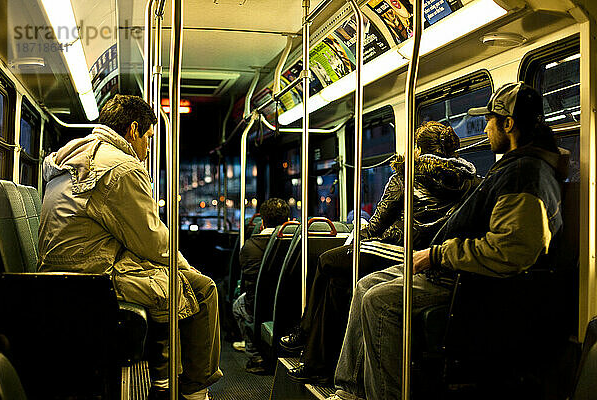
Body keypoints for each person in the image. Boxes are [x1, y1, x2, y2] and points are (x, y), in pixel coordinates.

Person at [327, 82, 568, 400]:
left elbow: (511, 250)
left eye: (490, 119)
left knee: (378, 301)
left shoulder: (525, 175)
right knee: (363, 287)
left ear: (508, 124)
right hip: (451, 269)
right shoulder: (512, 167)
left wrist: (438, 255)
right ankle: (351, 390)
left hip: (469, 283)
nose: (485, 127)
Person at [38, 95, 222, 400]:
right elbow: (152, 241)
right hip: (95, 278)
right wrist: (186, 265)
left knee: (172, 280)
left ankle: (163, 378)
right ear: (133, 130)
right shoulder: (122, 168)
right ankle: (194, 389)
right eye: (148, 138)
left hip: (59, 270)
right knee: (201, 287)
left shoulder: (73, 155)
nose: (148, 150)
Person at [282, 121, 479, 384]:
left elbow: (376, 225)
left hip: (392, 251)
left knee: (327, 260)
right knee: (336, 282)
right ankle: (317, 359)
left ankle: (305, 335)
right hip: (427, 253)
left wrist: (356, 236)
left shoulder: (406, 175)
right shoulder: (470, 182)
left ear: (419, 150)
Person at [232, 198, 290, 373]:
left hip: (259, 303)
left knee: (238, 306)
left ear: (262, 222)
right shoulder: (296, 243)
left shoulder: (250, 246)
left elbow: (248, 281)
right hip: (289, 301)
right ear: (287, 221)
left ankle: (255, 354)